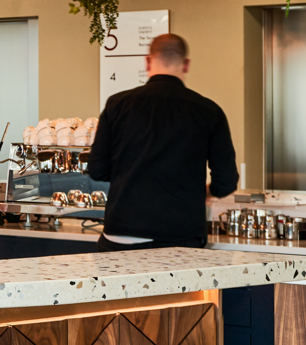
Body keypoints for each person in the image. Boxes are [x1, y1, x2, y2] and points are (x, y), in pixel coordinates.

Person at [85, 31, 239, 250]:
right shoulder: (209, 112)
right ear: (186, 65)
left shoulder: (116, 105)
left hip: (121, 235)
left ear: (148, 62)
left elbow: (97, 169)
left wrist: (130, 176)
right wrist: (205, 192)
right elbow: (226, 182)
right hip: (179, 237)